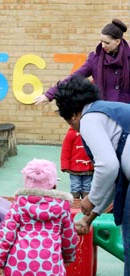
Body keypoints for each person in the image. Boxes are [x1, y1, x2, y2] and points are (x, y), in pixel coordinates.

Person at [54, 75, 130, 276]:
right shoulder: (108, 112)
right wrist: (90, 218)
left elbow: (107, 166)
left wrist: (91, 199)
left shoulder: (88, 118)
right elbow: (114, 180)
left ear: (72, 116)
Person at [0, 159, 78, 276]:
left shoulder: (19, 204)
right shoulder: (62, 207)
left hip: (18, 264)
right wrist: (68, 257)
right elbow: (69, 238)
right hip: (50, 264)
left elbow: (6, 234)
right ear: (54, 184)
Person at [35, 18, 130, 105]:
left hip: (125, 113)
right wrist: (50, 94)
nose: (103, 45)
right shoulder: (95, 59)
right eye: (101, 41)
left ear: (117, 42)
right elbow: (74, 78)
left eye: (107, 43)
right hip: (102, 111)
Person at [61, 127, 94, 199]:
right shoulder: (71, 133)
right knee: (75, 186)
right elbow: (66, 150)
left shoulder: (92, 132)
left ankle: (86, 203)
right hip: (74, 167)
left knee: (87, 186)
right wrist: (65, 165)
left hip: (88, 167)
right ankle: (75, 203)